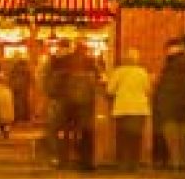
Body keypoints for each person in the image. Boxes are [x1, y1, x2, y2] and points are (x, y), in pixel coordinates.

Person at [154, 39, 185, 170]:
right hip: (182, 105)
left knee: (172, 135)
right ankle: (181, 163)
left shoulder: (175, 64)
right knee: (181, 135)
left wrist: (160, 98)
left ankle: (176, 164)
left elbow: (169, 85)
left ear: (175, 48)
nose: (166, 52)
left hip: (171, 104)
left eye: (168, 48)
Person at [106, 47, 151, 172]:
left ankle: (123, 164)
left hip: (123, 108)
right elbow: (148, 90)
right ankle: (134, 164)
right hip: (140, 109)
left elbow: (110, 90)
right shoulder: (143, 72)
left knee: (123, 137)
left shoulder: (119, 72)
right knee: (136, 137)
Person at [60, 41, 99, 170]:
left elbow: (60, 80)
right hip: (85, 105)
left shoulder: (66, 61)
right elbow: (97, 79)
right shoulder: (90, 63)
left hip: (70, 103)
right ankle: (85, 160)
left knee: (67, 132)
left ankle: (65, 159)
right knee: (86, 132)